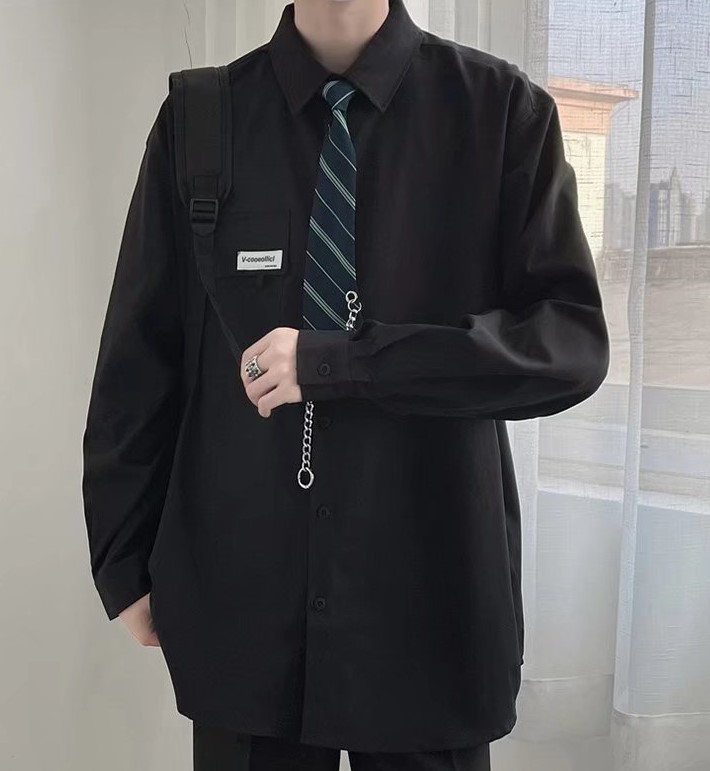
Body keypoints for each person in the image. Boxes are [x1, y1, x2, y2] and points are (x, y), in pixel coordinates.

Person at [81, 0, 610, 769]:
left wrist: (345, 361)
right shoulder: (202, 120)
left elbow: (569, 344)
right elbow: (139, 358)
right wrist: (122, 558)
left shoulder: (499, 113)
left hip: (431, 594)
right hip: (243, 601)